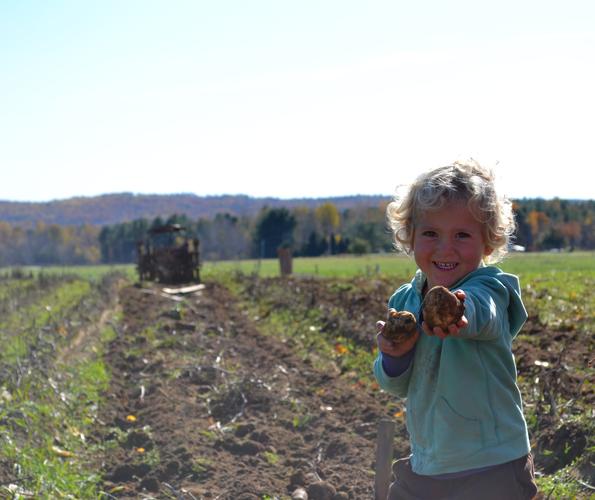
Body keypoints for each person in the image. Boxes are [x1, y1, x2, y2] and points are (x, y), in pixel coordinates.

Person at [374, 160, 538, 499]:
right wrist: (394, 357)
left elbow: (486, 314)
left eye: (462, 235)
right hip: (429, 462)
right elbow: (395, 385)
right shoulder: (404, 300)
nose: (445, 248)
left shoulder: (491, 288)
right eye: (431, 233)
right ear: (410, 237)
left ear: (488, 242)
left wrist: (460, 312)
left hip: (492, 464)